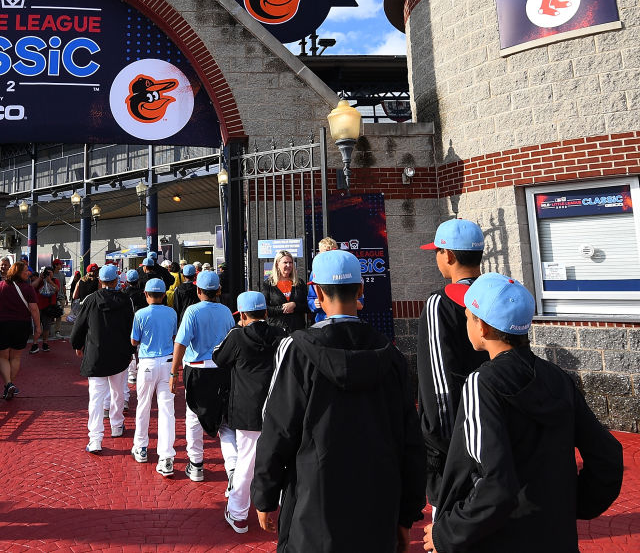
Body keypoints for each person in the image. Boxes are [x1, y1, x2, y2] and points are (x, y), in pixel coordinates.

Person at [424, 274, 623, 552]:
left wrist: (445, 534)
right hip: (556, 536)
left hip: (501, 538)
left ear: (481, 327)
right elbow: (607, 456)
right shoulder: (557, 377)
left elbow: (495, 483)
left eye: (468, 316)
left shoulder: (482, 384)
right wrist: (572, 504)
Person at [253, 249, 425, 551]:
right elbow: (411, 440)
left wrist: (265, 494)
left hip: (313, 507)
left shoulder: (296, 350)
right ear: (360, 289)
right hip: (377, 505)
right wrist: (407, 514)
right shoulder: (391, 354)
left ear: (315, 292)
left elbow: (278, 428)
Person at [416, 219, 488, 508]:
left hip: (458, 450)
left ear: (448, 255)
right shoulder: (499, 294)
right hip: (498, 440)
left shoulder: (440, 303)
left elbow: (440, 384)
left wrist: (443, 452)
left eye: (436, 252)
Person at [212, 291, 286, 534]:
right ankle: (285, 510)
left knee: (245, 463)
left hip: (247, 409)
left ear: (242, 314)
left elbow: (218, 358)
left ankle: (238, 514)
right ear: (265, 312)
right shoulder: (280, 335)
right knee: (282, 461)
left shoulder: (237, 336)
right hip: (277, 407)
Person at [169, 270, 237, 484]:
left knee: (194, 417)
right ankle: (233, 467)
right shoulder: (226, 311)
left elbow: (180, 343)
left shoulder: (192, 311)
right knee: (225, 421)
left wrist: (174, 372)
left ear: (198, 290)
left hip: (197, 370)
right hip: (222, 369)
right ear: (218, 290)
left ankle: (196, 464)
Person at [71, 264, 135, 453]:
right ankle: (116, 425)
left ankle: (95, 439)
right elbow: (131, 327)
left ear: (100, 281)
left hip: (95, 354)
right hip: (120, 354)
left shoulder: (91, 300)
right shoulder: (126, 300)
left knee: (96, 397)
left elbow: (79, 324)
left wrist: (77, 344)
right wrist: (132, 349)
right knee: (118, 392)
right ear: (116, 280)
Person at [130, 277, 178, 475]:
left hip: (147, 364)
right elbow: (174, 336)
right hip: (167, 362)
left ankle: (141, 447)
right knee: (167, 411)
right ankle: (166, 456)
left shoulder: (140, 314)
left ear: (146, 294)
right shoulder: (172, 312)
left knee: (143, 406)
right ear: (164, 294)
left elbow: (134, 341)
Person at [0, 261, 41, 400]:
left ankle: (8, 384)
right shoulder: (28, 289)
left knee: (2, 357)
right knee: (15, 357)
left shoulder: (0, 286)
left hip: (2, 323)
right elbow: (34, 309)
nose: (28, 273)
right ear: (18, 272)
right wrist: (38, 327)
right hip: (21, 324)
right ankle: (10, 384)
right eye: (26, 270)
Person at [306, 238, 364, 324]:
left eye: (332, 252)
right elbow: (311, 299)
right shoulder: (315, 272)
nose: (329, 257)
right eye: (325, 253)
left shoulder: (349, 269)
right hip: (323, 321)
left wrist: (342, 302)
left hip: (347, 322)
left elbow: (360, 304)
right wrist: (315, 304)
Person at [261, 249, 303, 332]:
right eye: (285, 262)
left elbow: (306, 306)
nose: (288, 265)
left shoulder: (299, 282)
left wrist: (294, 305)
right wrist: (282, 309)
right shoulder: (268, 283)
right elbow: (265, 308)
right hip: (276, 330)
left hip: (297, 329)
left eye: (290, 262)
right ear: (277, 264)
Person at [30, 266, 61, 354]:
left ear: (52, 273)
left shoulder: (55, 281)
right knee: (37, 326)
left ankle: (45, 343)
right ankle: (35, 344)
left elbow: (57, 289)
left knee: (46, 327)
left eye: (49, 273)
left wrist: (49, 281)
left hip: (49, 308)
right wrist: (41, 278)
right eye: (46, 273)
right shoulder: (40, 280)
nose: (48, 274)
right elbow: (32, 286)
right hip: (38, 307)